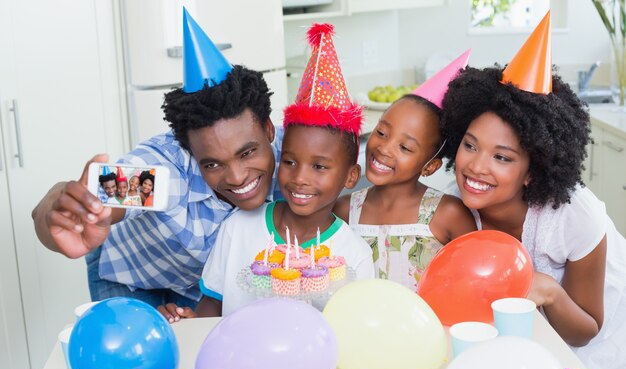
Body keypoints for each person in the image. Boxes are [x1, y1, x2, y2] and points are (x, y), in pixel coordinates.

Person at [31, 9, 282, 309]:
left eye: (247, 152)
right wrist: (67, 212)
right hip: (130, 274)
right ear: (190, 150)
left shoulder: (293, 159)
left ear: (268, 129)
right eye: (212, 163)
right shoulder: (168, 174)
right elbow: (94, 194)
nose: (238, 177)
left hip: (199, 286)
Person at [439, 12, 626, 369]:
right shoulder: (457, 204)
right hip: (533, 357)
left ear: (532, 169)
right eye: (470, 145)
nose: (476, 166)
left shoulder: (574, 215)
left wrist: (548, 291)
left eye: (502, 157)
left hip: (605, 361)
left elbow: (588, 328)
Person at [159, 23, 375, 320]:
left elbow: (356, 332)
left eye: (319, 167)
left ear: (351, 176)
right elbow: (212, 307)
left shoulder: (354, 255)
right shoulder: (237, 228)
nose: (300, 177)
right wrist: (189, 322)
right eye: (289, 162)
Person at [334, 51, 476, 290]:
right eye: (381, 133)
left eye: (405, 147)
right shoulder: (345, 210)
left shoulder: (449, 214)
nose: (384, 148)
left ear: (430, 166)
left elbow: (471, 284)